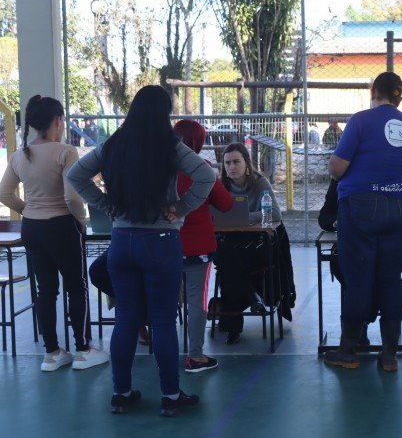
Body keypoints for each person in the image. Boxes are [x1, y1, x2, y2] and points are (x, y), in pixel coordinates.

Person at [68, 85, 215, 417]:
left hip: (121, 242)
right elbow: (206, 176)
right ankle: (171, 396)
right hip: (160, 242)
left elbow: (75, 174)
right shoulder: (171, 147)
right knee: (163, 321)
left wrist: (107, 205)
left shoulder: (114, 145)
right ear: (164, 113)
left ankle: (120, 394)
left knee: (126, 318)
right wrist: (182, 207)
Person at [0, 95, 108, 372]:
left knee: (45, 290)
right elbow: (73, 197)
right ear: (58, 121)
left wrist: (28, 210)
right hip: (61, 225)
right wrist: (81, 220)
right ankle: (82, 349)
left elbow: (4, 193)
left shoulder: (18, 155)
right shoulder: (65, 152)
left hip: (32, 229)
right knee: (76, 287)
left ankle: (52, 353)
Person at [324, 71, 402, 372]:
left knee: (358, 278)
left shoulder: (361, 121)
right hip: (399, 206)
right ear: (399, 97)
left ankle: (349, 350)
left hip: (361, 206)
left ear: (373, 91)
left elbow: (338, 168)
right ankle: (389, 355)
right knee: (391, 278)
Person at [216, 142, 295, 345]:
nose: (231, 167)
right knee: (227, 258)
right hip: (229, 243)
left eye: (236, 162)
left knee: (228, 265)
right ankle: (251, 297)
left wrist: (244, 217)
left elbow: (274, 214)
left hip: (255, 244)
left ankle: (232, 321)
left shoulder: (260, 184)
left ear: (247, 164)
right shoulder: (220, 186)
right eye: (227, 163)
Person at [174, 119, 234, 372]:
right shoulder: (203, 168)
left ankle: (164, 355)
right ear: (198, 143)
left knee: (165, 301)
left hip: (164, 245)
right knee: (197, 301)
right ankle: (195, 356)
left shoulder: (157, 169)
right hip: (197, 246)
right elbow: (226, 204)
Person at [318, 178, 372, 345]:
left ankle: (358, 325)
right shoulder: (340, 179)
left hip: (375, 242)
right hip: (349, 246)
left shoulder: (380, 174)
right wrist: (335, 221)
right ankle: (355, 328)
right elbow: (324, 215)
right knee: (348, 267)